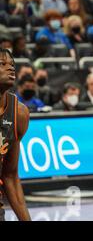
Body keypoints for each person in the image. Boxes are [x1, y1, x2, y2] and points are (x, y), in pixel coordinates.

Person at [0, 49, 31, 221]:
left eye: (12, 65)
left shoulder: (19, 113)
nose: (10, 68)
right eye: (2, 64)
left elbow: (10, 175)